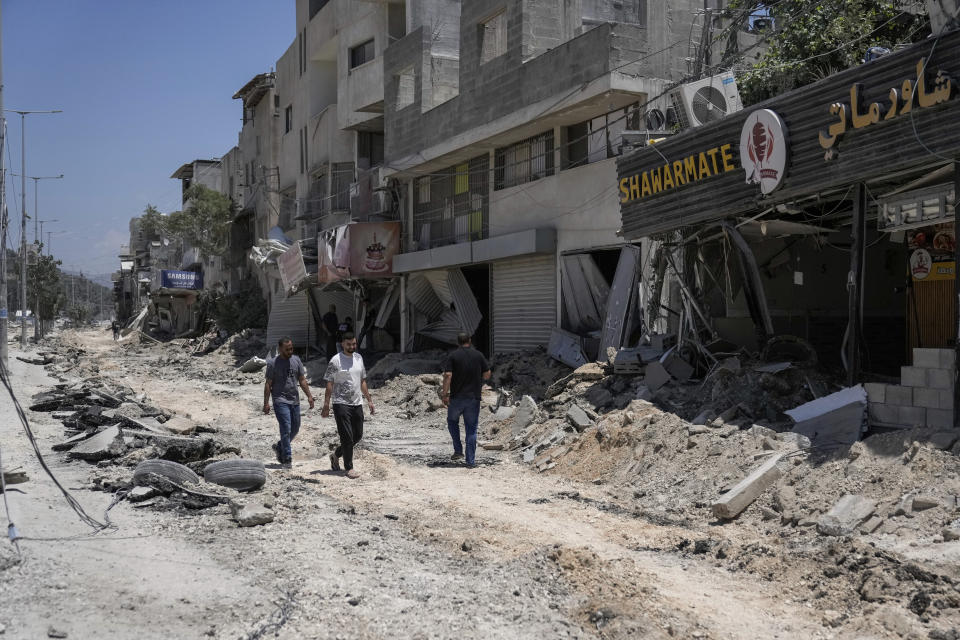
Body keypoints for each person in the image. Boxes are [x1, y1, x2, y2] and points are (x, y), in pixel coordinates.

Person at [322, 332, 374, 479]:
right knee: (347, 436)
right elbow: (329, 383)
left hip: (357, 402)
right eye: (349, 344)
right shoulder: (335, 360)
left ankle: (336, 455)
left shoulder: (359, 358)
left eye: (354, 344)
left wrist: (369, 400)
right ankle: (349, 468)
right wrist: (326, 404)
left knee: (357, 435)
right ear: (342, 344)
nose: (352, 347)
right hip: (340, 403)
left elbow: (362, 380)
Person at [263, 337, 315, 466]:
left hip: (294, 400)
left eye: (291, 348)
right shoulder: (272, 363)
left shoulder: (296, 360)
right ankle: (287, 456)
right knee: (285, 427)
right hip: (280, 399)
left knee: (295, 428)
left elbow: (302, 380)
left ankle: (280, 445)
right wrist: (266, 403)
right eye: (287, 349)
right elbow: (268, 384)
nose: (290, 351)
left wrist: (309, 396)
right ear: (280, 349)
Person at [442, 333, 491, 467]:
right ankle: (470, 461)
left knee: (452, 422)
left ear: (458, 342)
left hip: (456, 398)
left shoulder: (453, 356)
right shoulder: (478, 355)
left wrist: (444, 394)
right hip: (473, 398)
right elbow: (487, 375)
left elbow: (447, 375)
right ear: (469, 341)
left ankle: (458, 450)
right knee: (471, 429)